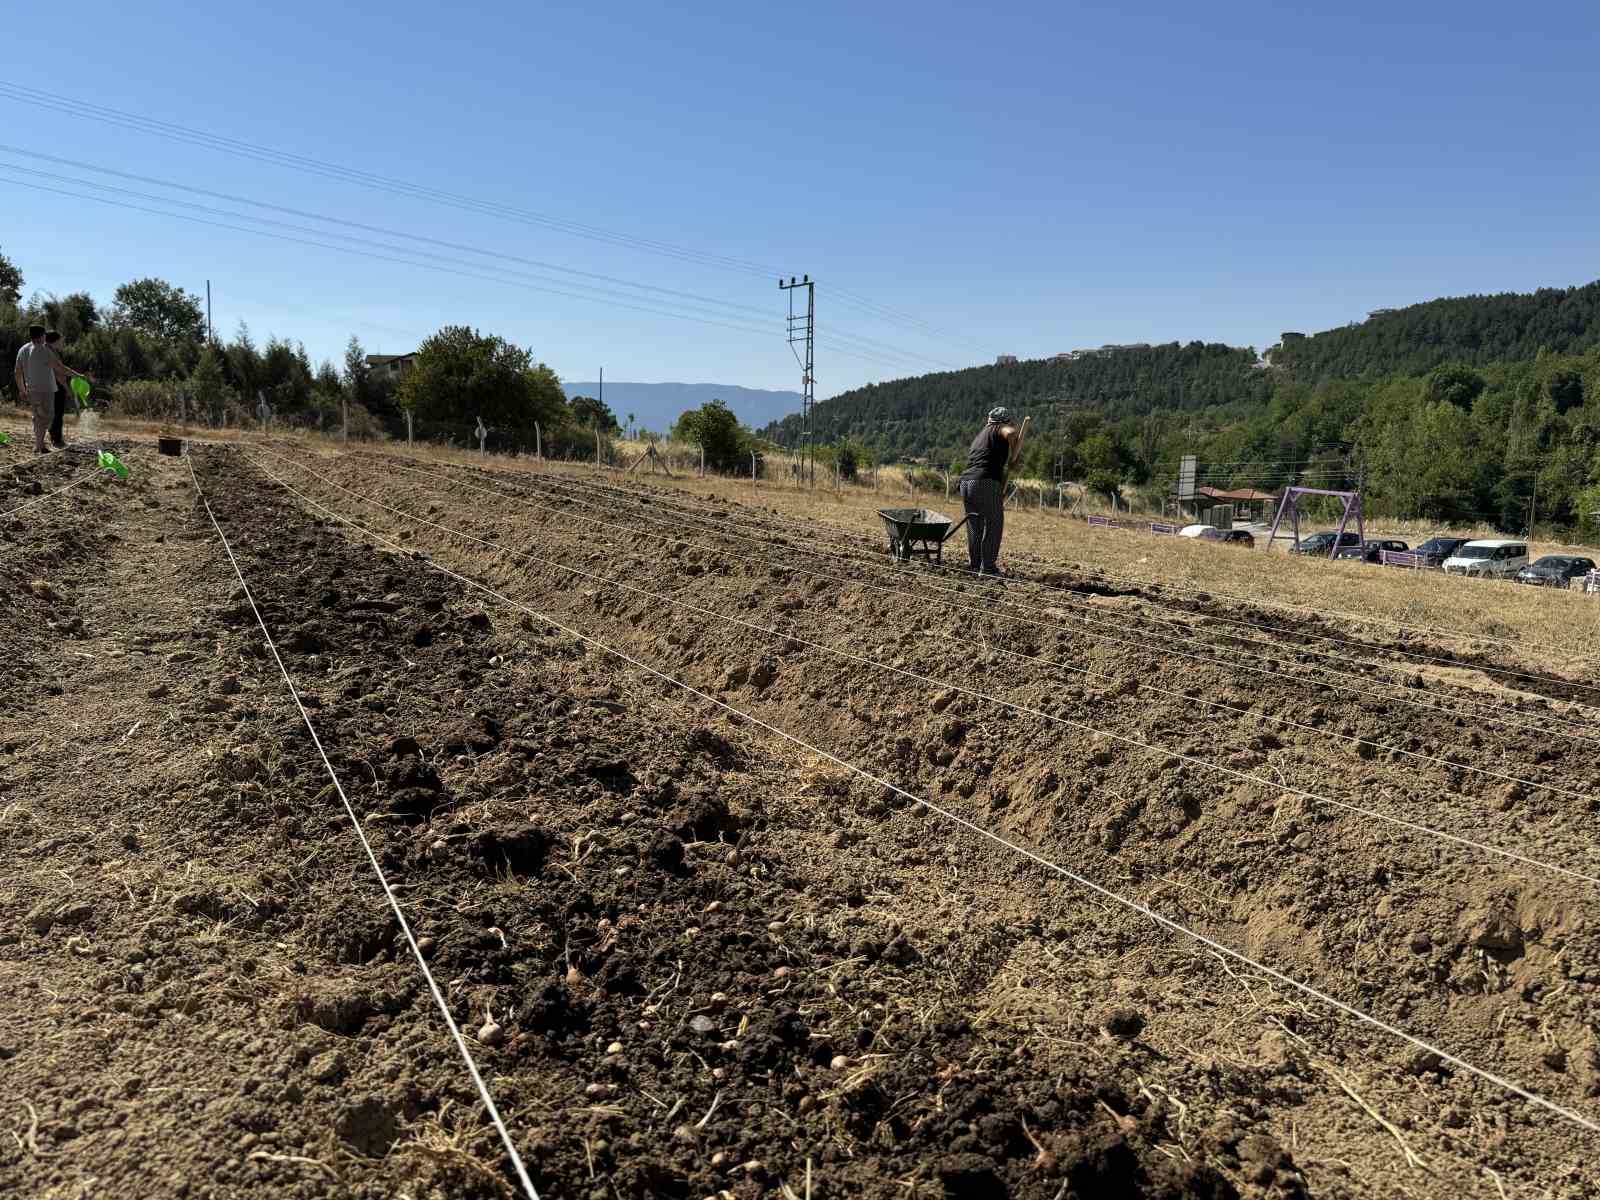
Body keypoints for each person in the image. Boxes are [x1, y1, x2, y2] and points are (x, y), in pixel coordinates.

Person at [958, 406, 1029, 576]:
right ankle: (988, 567)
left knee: (975, 525)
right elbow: (1011, 433)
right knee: (994, 523)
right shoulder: (999, 428)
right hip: (985, 482)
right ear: (1004, 420)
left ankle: (975, 564)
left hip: (966, 483)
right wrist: (1014, 455)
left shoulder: (981, 435)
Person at [14, 324, 79, 454]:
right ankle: (40, 445)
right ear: (42, 335)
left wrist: (22, 389)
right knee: (47, 417)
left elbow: (17, 371)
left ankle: (39, 446)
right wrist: (78, 375)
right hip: (46, 390)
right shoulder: (44, 350)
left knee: (39, 417)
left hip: (31, 389)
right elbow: (59, 368)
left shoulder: (23, 349)